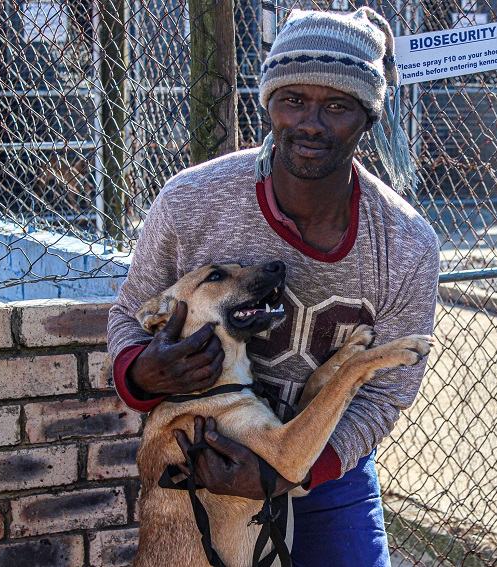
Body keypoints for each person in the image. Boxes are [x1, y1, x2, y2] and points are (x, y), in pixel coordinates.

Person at [107, 7, 439, 566]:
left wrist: (292, 470)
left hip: (326, 467)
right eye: (292, 100)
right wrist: (141, 370)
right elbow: (126, 315)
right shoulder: (193, 200)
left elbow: (387, 392)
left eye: (336, 105)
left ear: (368, 116)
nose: (310, 122)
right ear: (268, 106)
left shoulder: (405, 242)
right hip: (204, 458)